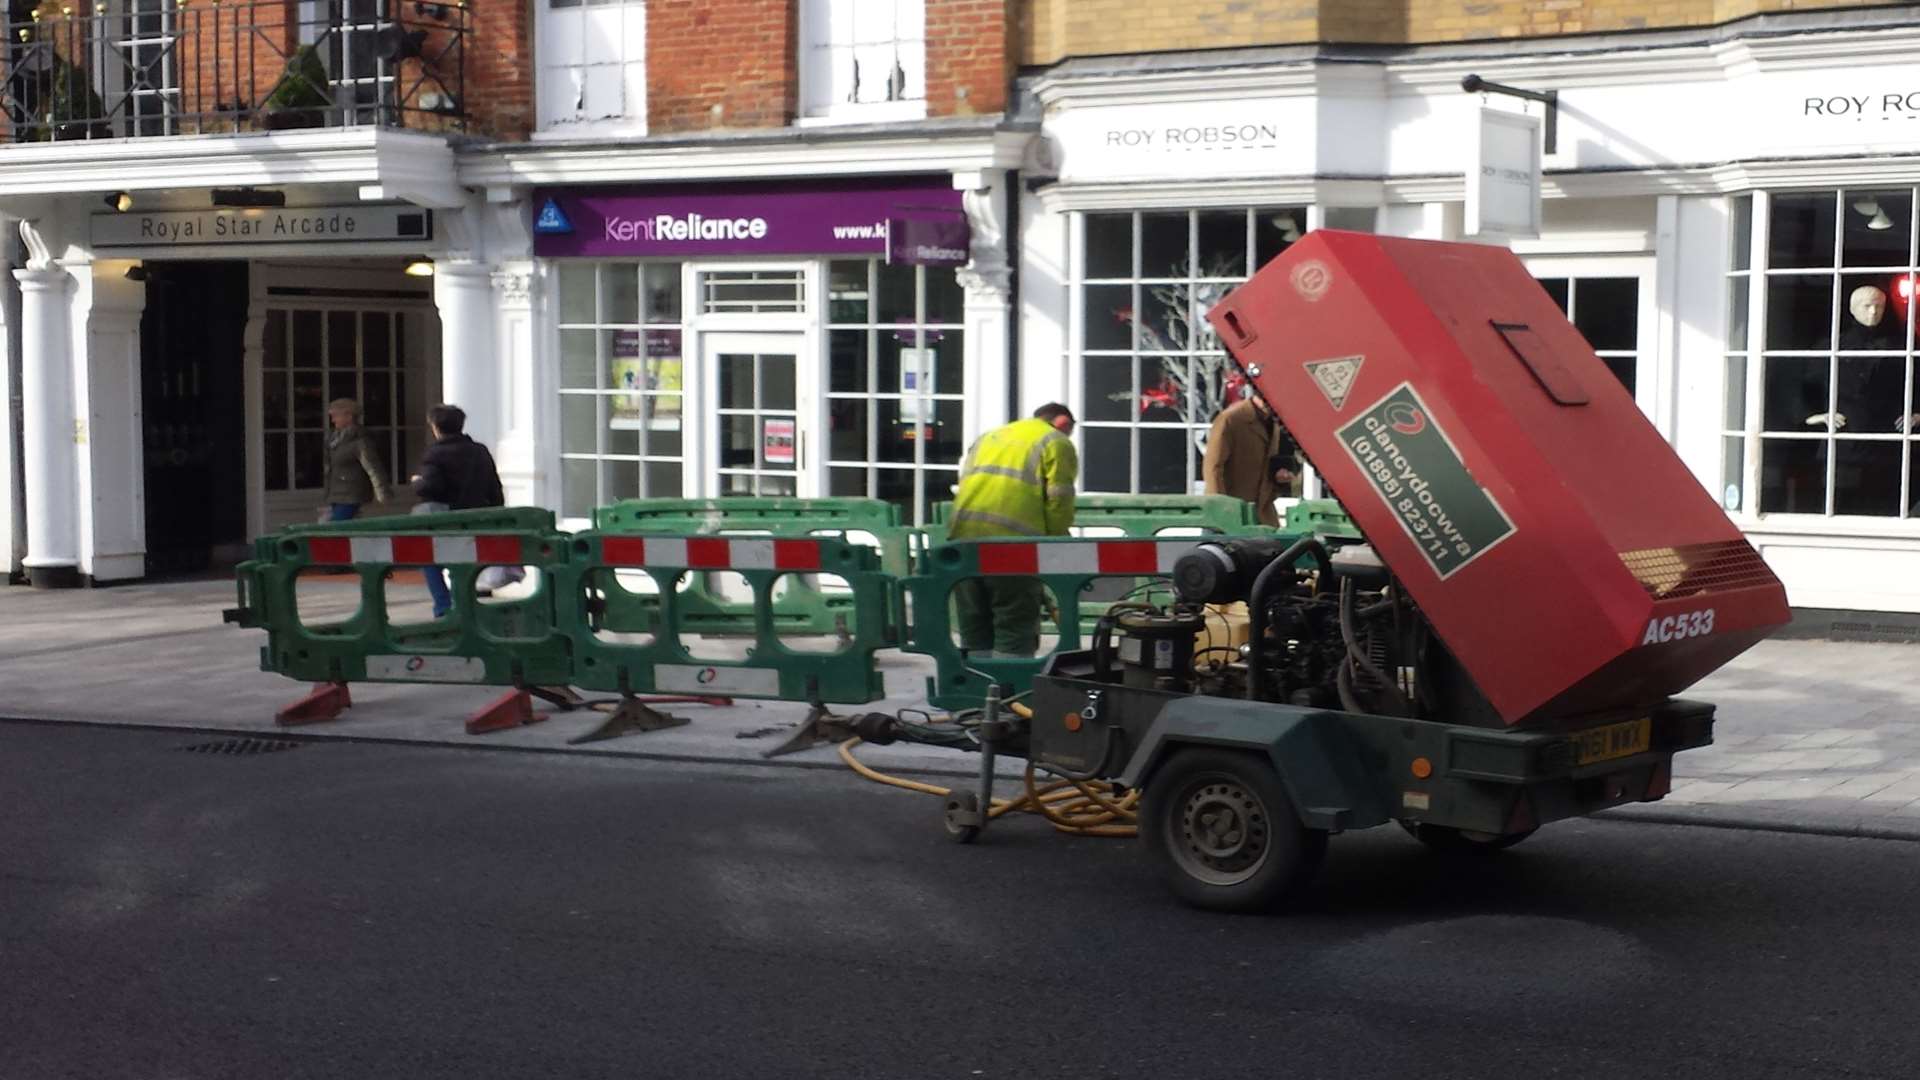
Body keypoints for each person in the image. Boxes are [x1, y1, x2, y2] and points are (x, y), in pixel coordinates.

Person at [949, 403, 1079, 658]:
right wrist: (1056, 548)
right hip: (1013, 548)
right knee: (1014, 626)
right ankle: (1011, 689)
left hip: (962, 542)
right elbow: (1058, 500)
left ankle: (978, 685)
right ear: (1063, 422)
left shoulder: (989, 438)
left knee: (975, 625)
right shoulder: (1055, 441)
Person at [412, 404, 505, 619]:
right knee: (463, 562)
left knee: (429, 558)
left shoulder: (435, 454)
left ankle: (444, 606)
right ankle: (464, 604)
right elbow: (494, 486)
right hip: (476, 515)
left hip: (445, 517)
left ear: (435, 427)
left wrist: (417, 482)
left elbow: (431, 487)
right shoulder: (480, 451)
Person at [1202, 388, 1297, 527]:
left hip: (1263, 514)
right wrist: (1222, 510)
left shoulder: (1274, 421)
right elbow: (1213, 468)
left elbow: (1268, 462)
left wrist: (1279, 477)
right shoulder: (1231, 419)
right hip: (1231, 514)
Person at [319, 398, 390, 522]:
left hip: (351, 493)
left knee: (336, 527)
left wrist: (382, 492)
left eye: (336, 416)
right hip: (336, 493)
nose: (333, 420)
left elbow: (373, 467)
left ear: (349, 416)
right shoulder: (334, 438)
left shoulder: (360, 441)